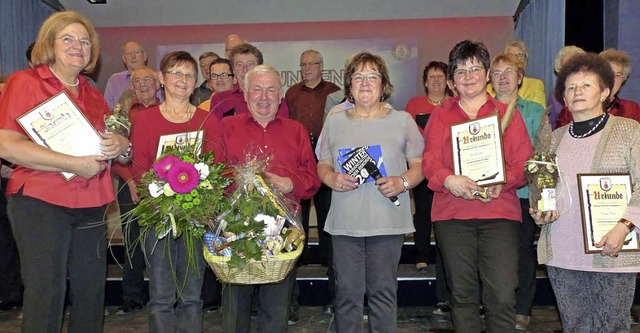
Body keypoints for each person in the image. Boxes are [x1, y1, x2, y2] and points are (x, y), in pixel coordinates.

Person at [0, 11, 130, 332]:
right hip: (40, 201)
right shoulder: (26, 82)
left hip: (92, 204)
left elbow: (106, 149)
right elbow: (7, 145)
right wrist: (71, 164)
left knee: (91, 292)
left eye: (85, 41)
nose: (78, 46)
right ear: (50, 44)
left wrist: (119, 145)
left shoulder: (93, 93)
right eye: (68, 39)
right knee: (47, 292)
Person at [422, 40, 532, 333]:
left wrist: (502, 180)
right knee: (462, 296)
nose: (468, 76)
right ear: (451, 81)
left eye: (475, 69)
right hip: (452, 216)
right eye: (460, 71)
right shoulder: (441, 116)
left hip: (499, 215)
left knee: (502, 295)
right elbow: (430, 162)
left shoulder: (509, 113)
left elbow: (524, 162)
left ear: (487, 74)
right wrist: (449, 180)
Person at [531, 52, 640, 332]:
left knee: (612, 327)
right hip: (563, 252)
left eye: (586, 85)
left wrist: (625, 226)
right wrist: (541, 211)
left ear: (605, 91)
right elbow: (544, 190)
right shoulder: (553, 139)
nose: (578, 91)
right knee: (575, 326)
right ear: (563, 98)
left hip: (612, 249)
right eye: (570, 87)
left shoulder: (629, 131)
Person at [316, 52, 424, 333]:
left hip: (387, 221)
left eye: (372, 76)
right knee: (347, 296)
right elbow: (323, 162)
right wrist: (330, 177)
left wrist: (403, 182)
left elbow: (420, 166)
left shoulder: (403, 120)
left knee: (383, 294)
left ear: (384, 83)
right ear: (349, 85)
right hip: (345, 223)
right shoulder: (335, 120)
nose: (365, 83)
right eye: (358, 77)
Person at [129, 51, 225, 333]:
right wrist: (161, 198)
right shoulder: (146, 120)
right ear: (161, 78)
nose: (182, 80)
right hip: (157, 218)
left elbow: (217, 167)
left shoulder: (208, 121)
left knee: (192, 297)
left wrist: (198, 203)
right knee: (160, 297)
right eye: (176, 73)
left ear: (196, 82)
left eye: (189, 75)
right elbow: (139, 167)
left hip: (195, 221)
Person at [220, 64, 320, 333]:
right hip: (236, 224)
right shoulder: (226, 127)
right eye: (257, 90)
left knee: (277, 301)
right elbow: (213, 174)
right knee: (235, 302)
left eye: (271, 90)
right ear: (245, 93)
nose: (264, 97)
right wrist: (237, 182)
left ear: (280, 96)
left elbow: (312, 178)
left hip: (284, 225)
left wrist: (291, 183)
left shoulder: (296, 130)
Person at [489, 53, 544, 331]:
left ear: (520, 77)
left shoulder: (534, 110)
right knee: (493, 255)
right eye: (497, 72)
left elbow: (540, 155)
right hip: (488, 197)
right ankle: (496, 307)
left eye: (509, 71)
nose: (503, 77)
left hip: (523, 196)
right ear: (489, 78)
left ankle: (522, 309)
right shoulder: (481, 110)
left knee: (523, 253)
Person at [284, 49, 340, 322]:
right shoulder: (291, 93)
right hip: (298, 162)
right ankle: (296, 275)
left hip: (327, 158)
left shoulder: (335, 91)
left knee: (330, 223)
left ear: (321, 66)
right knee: (296, 223)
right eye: (303, 64)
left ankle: (334, 287)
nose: (307, 68)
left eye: (312, 64)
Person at [405, 61, 454, 316]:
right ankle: (422, 254)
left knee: (444, 216)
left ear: (447, 80)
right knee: (422, 212)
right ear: (425, 81)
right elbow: (409, 135)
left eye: (440, 76)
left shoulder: (453, 103)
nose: (436, 80)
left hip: (449, 169)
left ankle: (445, 262)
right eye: (431, 76)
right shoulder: (414, 105)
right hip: (422, 166)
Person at [112, 65, 160, 316]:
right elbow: (115, 154)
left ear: (158, 83)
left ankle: (160, 296)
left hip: (162, 186)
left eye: (148, 80)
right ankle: (132, 298)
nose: (143, 84)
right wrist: (131, 182)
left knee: (158, 241)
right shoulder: (122, 115)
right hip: (130, 183)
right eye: (138, 80)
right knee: (132, 242)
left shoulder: (167, 111)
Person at [555, 48, 640, 128]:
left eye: (617, 75)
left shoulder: (631, 109)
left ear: (624, 79)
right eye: (608, 74)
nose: (612, 79)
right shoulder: (574, 107)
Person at [208, 43, 288, 119]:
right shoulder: (220, 100)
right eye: (239, 65)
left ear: (259, 67)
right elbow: (214, 132)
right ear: (233, 69)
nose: (245, 69)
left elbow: (281, 129)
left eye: (250, 64)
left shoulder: (275, 99)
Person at [488, 39, 546, 109]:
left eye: (520, 56)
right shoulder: (490, 87)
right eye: (511, 55)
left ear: (526, 62)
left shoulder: (535, 85)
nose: (516, 59)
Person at [547, 46, 585, 128]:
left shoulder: (588, 92)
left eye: (575, 67)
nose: (570, 71)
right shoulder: (554, 97)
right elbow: (550, 127)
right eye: (565, 67)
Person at [104, 41, 148, 109]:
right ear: (124, 59)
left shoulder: (157, 79)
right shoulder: (114, 80)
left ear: (145, 56)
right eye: (129, 54)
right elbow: (107, 110)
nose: (133, 57)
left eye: (136, 53)